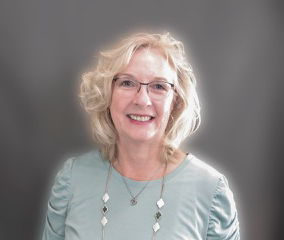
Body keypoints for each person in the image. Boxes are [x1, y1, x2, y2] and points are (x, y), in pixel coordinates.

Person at [42, 32, 240, 240]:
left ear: (175, 101)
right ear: (107, 94)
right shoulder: (72, 179)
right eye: (127, 83)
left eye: (158, 86)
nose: (142, 100)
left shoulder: (210, 190)